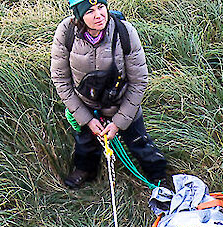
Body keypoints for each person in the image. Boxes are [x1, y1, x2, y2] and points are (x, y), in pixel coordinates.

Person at [50, 0, 170, 190]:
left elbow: (138, 81)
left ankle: (158, 176)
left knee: (139, 142)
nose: (99, 15)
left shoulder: (124, 32)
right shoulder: (66, 32)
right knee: (85, 143)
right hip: (86, 104)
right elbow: (60, 79)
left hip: (121, 102)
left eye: (101, 7)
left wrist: (118, 122)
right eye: (89, 11)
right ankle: (85, 170)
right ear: (78, 15)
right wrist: (87, 119)